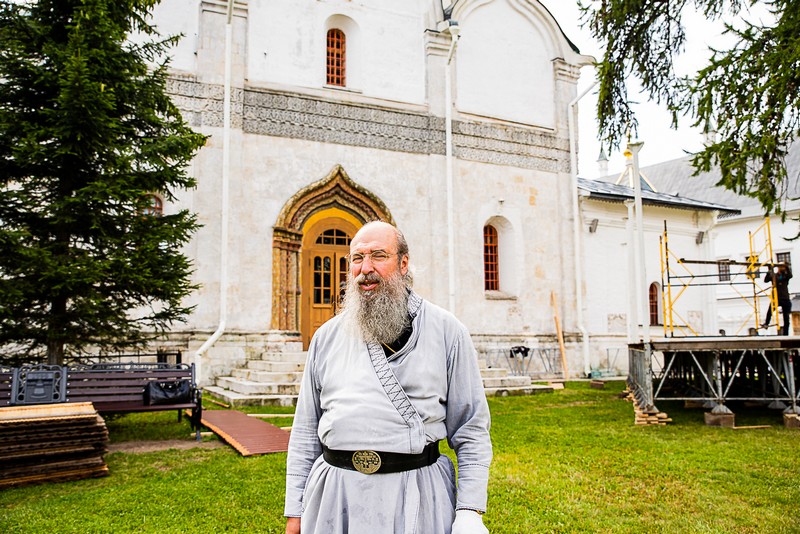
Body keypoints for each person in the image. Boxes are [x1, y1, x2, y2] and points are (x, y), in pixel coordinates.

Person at [284, 221, 492, 534]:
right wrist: (295, 510)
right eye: (357, 258)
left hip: (416, 495)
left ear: (403, 263)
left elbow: (471, 428)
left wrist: (469, 511)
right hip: (335, 498)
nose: (365, 268)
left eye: (378, 255)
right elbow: (304, 431)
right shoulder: (326, 337)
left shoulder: (448, 332)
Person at [762, 263, 793, 335]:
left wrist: (786, 267)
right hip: (776, 298)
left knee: (786, 318)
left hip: (785, 298)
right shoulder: (774, 276)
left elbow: (790, 275)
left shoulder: (785, 276)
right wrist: (769, 271)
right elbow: (766, 280)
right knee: (770, 311)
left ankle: (785, 334)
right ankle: (766, 323)